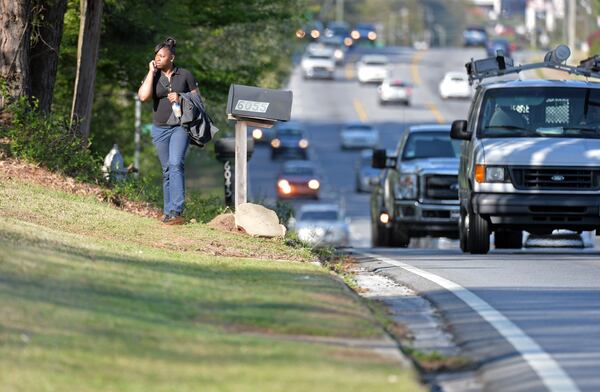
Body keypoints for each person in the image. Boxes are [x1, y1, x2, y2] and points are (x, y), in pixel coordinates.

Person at [137, 37, 198, 225]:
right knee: (166, 170)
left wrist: (181, 98)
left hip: (180, 127)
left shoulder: (185, 75)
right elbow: (143, 97)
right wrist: (150, 72)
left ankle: (176, 211)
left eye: (162, 56)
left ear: (172, 57)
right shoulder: (153, 76)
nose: (158, 59)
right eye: (156, 56)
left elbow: (198, 102)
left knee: (175, 164)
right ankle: (167, 212)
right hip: (159, 129)